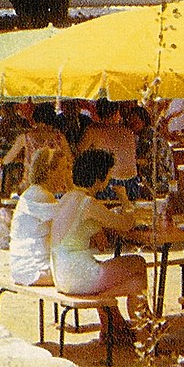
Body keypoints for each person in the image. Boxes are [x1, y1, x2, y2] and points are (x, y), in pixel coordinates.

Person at [51, 149, 149, 347]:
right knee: (138, 263)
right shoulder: (88, 203)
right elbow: (126, 224)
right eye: (108, 175)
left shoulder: (67, 198)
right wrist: (124, 199)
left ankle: (114, 325)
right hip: (79, 274)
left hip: (62, 273)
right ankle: (144, 332)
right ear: (99, 178)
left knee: (137, 282)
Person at [8, 148, 61, 287]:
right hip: (34, 270)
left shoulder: (33, 192)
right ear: (49, 171)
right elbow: (67, 225)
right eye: (64, 168)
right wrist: (71, 186)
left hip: (21, 267)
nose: (68, 173)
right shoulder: (42, 195)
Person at [77, 98, 141, 200]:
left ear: (97, 112)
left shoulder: (93, 131)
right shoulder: (127, 131)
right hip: (132, 182)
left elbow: (79, 154)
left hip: (109, 182)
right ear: (116, 112)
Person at [2, 104, 73, 195]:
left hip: (31, 186)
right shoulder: (59, 137)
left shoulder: (26, 137)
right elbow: (70, 159)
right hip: (57, 187)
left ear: (35, 119)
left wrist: (22, 160)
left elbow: (7, 160)